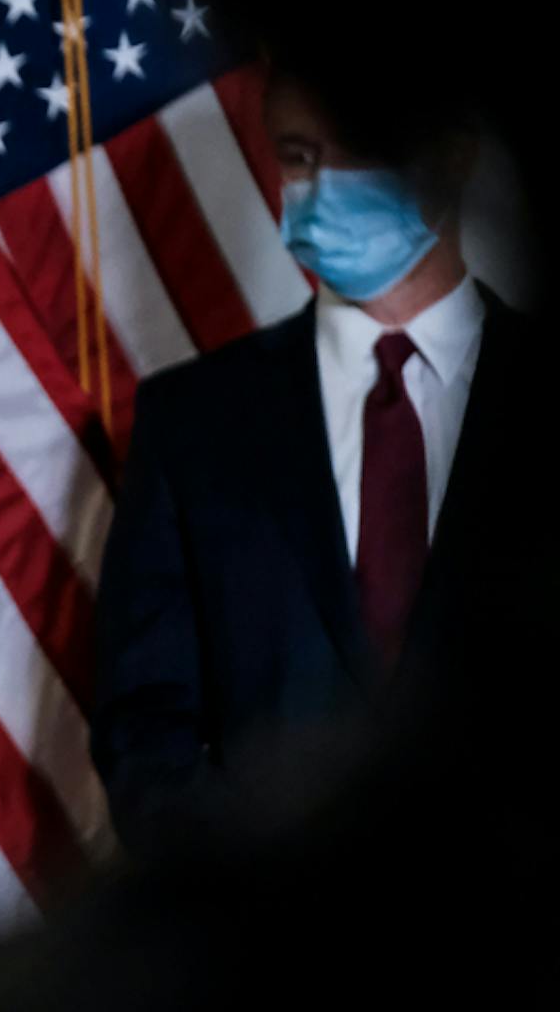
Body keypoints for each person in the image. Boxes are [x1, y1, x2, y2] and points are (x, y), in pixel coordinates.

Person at [91, 66, 537, 851]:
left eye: (359, 148)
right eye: (299, 157)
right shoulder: (193, 422)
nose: (323, 185)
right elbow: (144, 729)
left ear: (456, 154)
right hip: (268, 953)